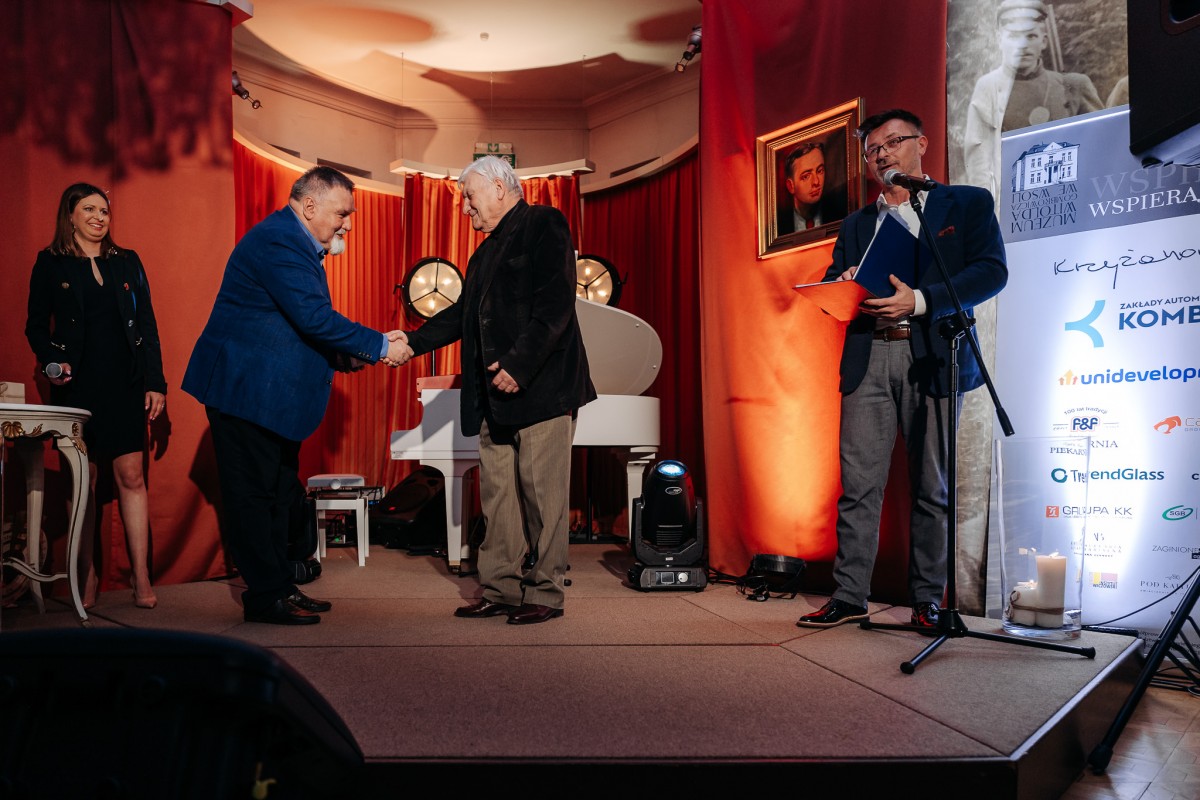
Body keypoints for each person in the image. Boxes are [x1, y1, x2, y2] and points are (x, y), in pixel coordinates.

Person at [797, 109, 1007, 629]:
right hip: (869, 355)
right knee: (858, 485)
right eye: (873, 149)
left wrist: (919, 300)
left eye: (893, 142)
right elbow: (835, 282)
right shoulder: (857, 223)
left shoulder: (967, 203)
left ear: (922, 143)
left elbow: (991, 271)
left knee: (932, 486)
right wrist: (843, 281)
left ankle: (926, 601)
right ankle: (850, 595)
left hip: (933, 352)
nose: (882, 154)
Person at [182, 166, 412, 626]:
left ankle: (281, 586)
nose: (348, 224)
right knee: (254, 498)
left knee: (277, 495)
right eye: (342, 213)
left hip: (267, 395)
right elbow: (312, 318)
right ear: (309, 206)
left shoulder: (294, 241)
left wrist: (347, 356)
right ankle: (266, 598)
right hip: (246, 390)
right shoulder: (280, 240)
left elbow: (292, 326)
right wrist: (380, 345)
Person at [404, 156, 595, 626]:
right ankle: (502, 590)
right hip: (493, 397)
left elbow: (555, 306)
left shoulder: (544, 223)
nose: (466, 207)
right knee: (499, 499)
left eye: (469, 196)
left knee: (543, 500)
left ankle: (546, 593)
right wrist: (410, 342)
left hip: (541, 390)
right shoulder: (482, 253)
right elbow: (461, 316)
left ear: (497, 186)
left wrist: (518, 365)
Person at [25, 183, 167, 610]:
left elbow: (147, 325)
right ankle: (84, 576)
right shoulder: (50, 263)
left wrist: (155, 382)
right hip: (77, 388)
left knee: (132, 477)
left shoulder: (127, 261)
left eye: (104, 211)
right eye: (89, 209)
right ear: (70, 215)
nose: (98, 218)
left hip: (125, 384)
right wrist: (53, 361)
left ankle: (140, 576)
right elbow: (35, 327)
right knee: (82, 482)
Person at [963, 0, 1103, 195]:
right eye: (1013, 36)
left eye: (1031, 36)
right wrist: (987, 204)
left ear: (1043, 41)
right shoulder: (988, 87)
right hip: (1011, 199)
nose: (1022, 45)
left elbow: (1101, 146)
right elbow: (978, 158)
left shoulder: (1074, 86)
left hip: (1069, 195)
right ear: (999, 40)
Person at [777, 141, 848, 234]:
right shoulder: (779, 227)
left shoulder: (840, 215)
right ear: (791, 186)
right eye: (806, 176)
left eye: (820, 171)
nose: (816, 182)